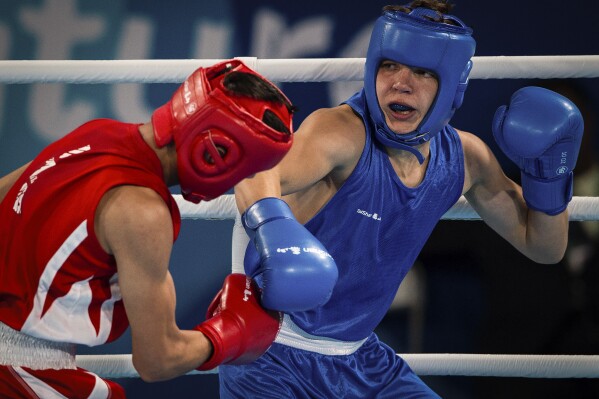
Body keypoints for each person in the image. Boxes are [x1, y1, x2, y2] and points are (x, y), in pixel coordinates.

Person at [221, 1, 585, 397]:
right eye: (390, 65)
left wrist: (549, 177)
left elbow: (545, 247)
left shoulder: (464, 160)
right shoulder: (341, 133)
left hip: (362, 360)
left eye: (424, 72)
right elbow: (257, 171)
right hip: (272, 354)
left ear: (452, 86)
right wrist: (276, 233)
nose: (401, 83)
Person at [0, 59, 295, 398]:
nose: (238, 183)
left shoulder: (98, 132)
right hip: (19, 371)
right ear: (214, 153)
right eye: (244, 171)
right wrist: (232, 332)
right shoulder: (142, 211)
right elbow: (158, 359)